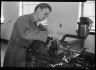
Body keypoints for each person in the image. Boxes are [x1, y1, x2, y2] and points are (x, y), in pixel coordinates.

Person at [3, 3, 52, 67]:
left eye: (47, 16)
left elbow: (43, 32)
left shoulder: (37, 25)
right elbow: (26, 33)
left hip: (26, 53)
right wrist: (46, 34)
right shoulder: (22, 19)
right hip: (15, 53)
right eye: (45, 14)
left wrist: (51, 34)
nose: (46, 17)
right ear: (38, 10)